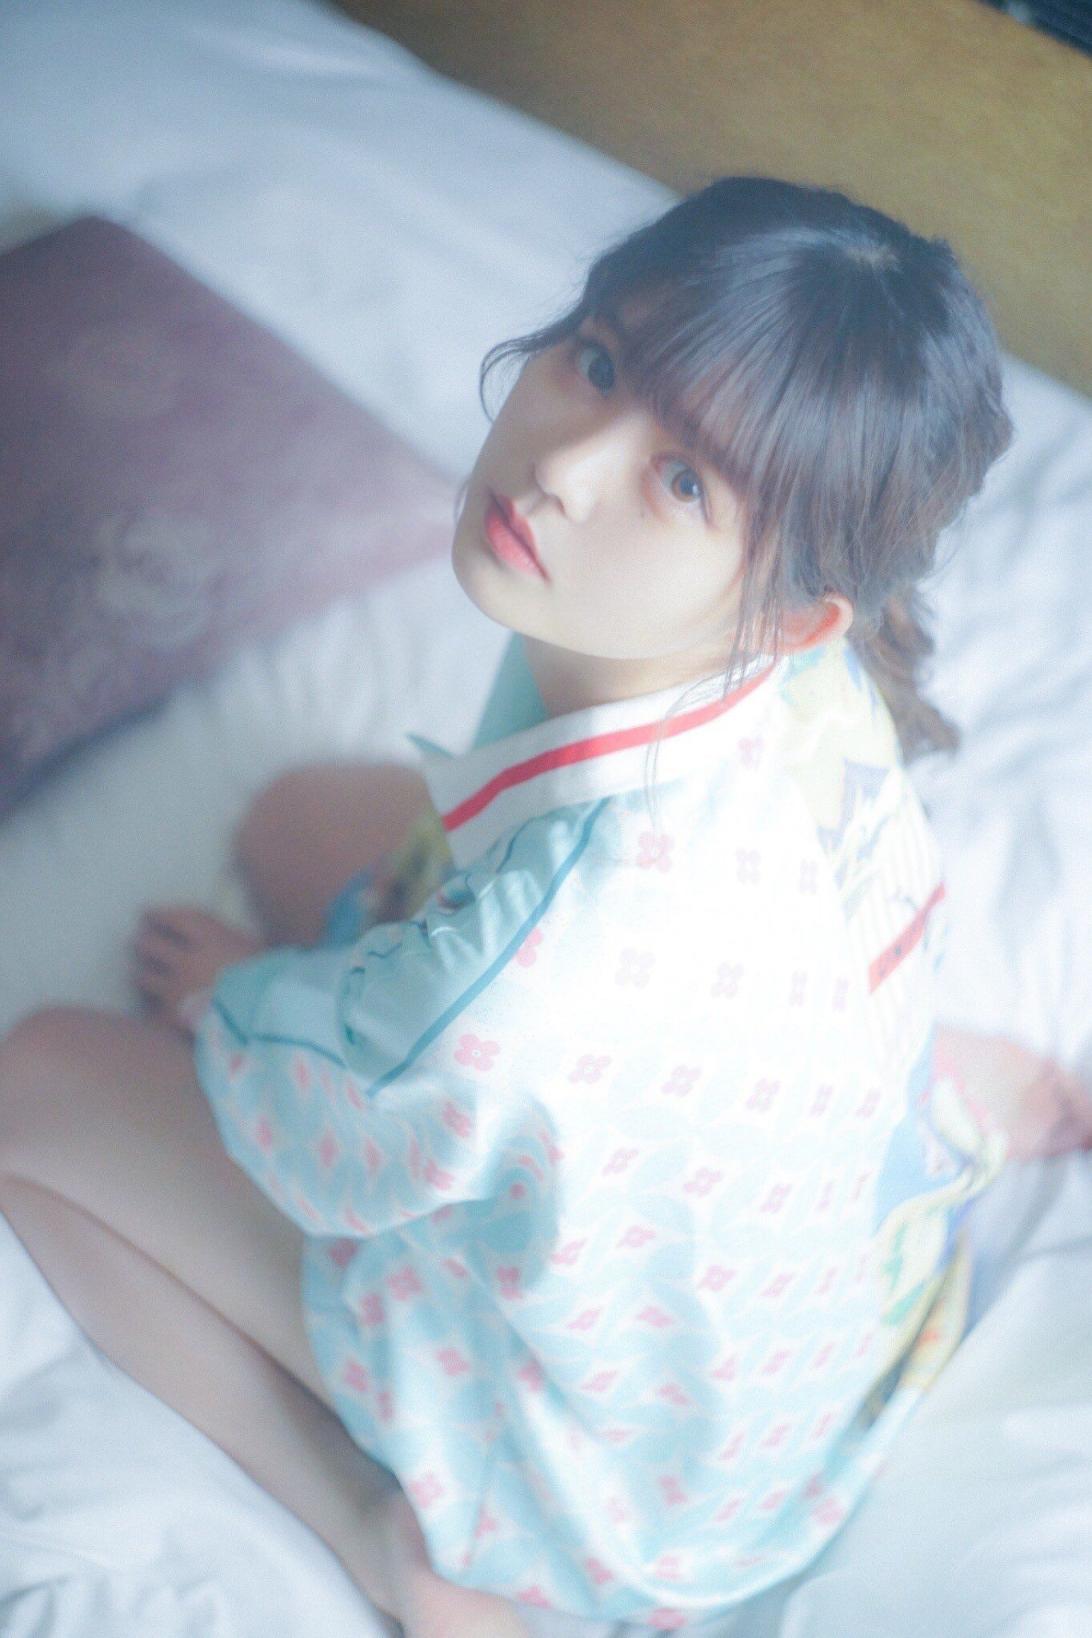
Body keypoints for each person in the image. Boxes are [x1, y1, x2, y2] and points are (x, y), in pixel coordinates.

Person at [1, 176, 1090, 1637]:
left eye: (686, 481)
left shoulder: (535, 974)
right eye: (599, 359)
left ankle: (396, 1550)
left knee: (32, 1085)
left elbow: (333, 1136)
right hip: (834, 1301)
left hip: (615, 1496)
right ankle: (951, 1079)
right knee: (293, 820)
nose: (567, 464)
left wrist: (237, 1001)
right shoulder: (805, 679)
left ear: (792, 610)